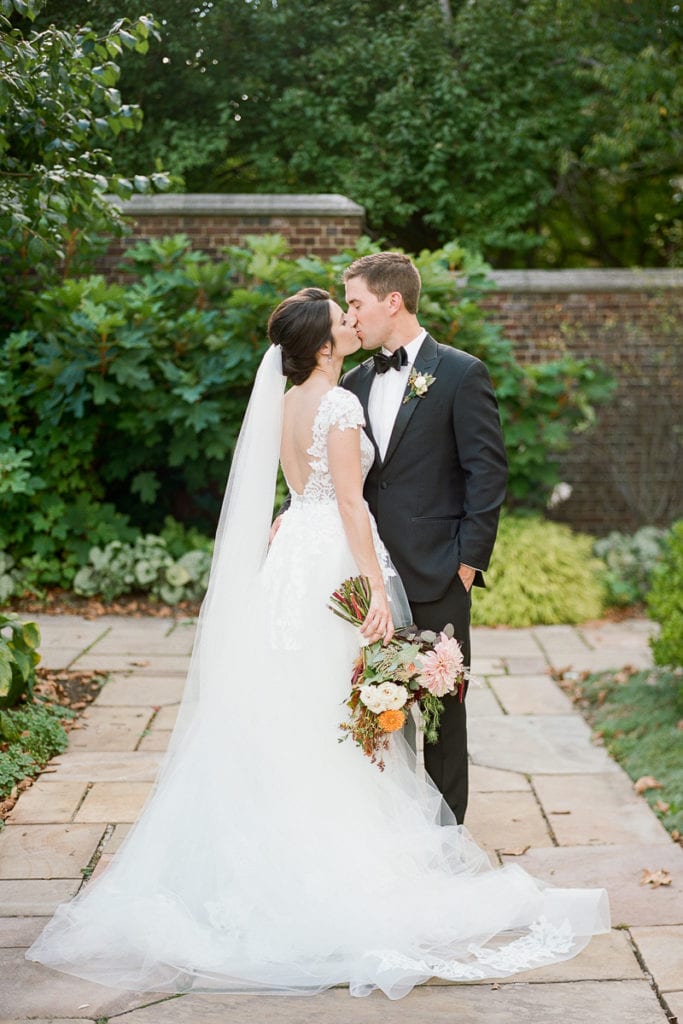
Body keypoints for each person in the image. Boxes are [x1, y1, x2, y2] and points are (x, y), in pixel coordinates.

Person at [26, 288, 609, 999]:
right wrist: (370, 580)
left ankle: (268, 860)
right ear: (326, 342)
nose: (351, 320)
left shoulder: (291, 398)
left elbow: (304, 490)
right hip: (332, 558)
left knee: (294, 702)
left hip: (292, 564)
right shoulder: (337, 401)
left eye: (353, 307)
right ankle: (338, 870)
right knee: (333, 706)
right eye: (342, 317)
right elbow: (350, 500)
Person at [341, 252, 509, 825]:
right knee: (375, 711)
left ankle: (448, 844)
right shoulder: (353, 381)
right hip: (370, 577)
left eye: (356, 303)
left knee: (441, 714)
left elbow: (487, 472)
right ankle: (391, 839)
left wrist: (469, 560)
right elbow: (340, 473)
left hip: (439, 571)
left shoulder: (461, 372)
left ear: (393, 301)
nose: (349, 316)